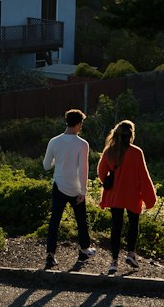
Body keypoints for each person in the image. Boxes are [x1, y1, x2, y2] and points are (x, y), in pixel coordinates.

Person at [97, 118, 157, 275]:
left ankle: (114, 262)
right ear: (131, 135)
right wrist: (150, 198)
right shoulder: (136, 152)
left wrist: (110, 182)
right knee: (133, 224)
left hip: (115, 195)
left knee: (116, 227)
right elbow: (143, 176)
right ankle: (130, 254)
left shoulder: (109, 151)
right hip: (132, 194)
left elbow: (101, 173)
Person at [42, 108, 96, 270]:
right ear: (78, 124)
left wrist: (57, 163)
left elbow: (46, 166)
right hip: (75, 188)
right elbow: (83, 169)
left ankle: (50, 255)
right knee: (81, 221)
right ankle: (84, 250)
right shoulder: (82, 144)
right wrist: (83, 191)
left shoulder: (54, 141)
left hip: (58, 185)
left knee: (54, 221)